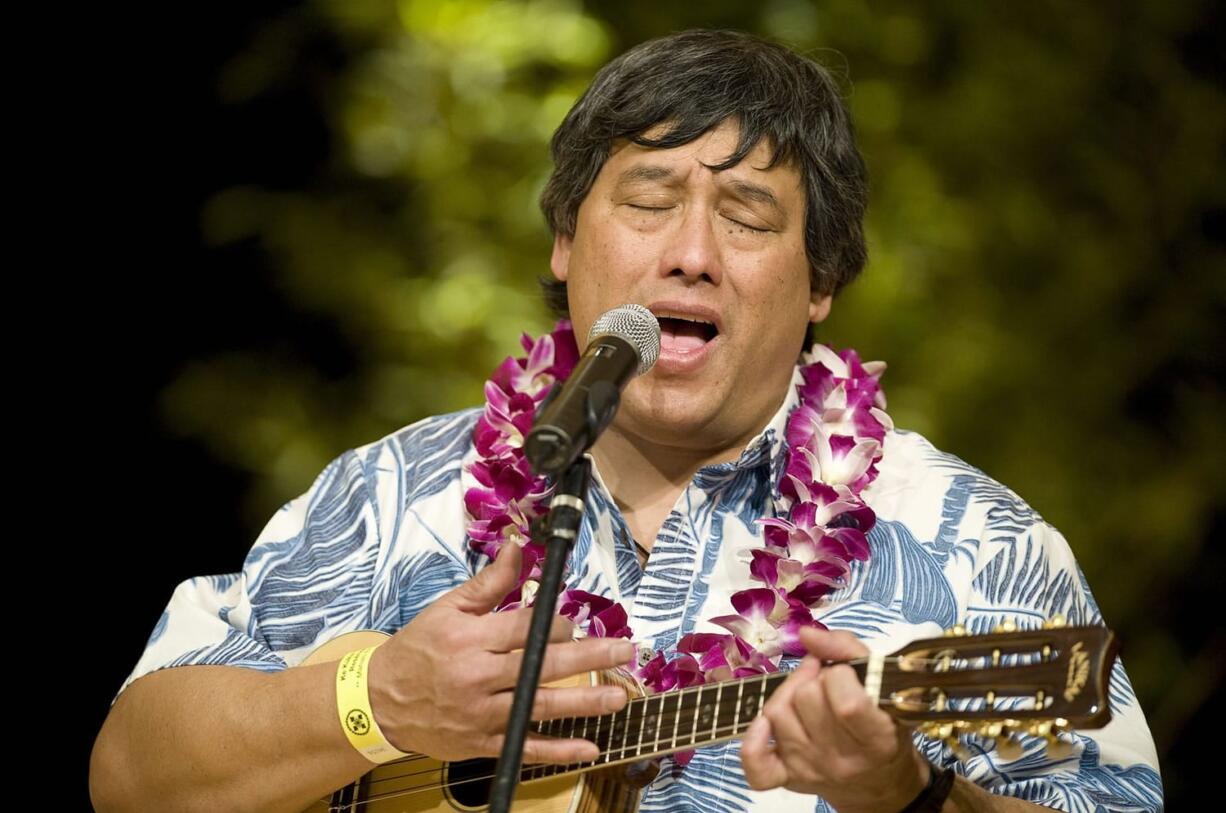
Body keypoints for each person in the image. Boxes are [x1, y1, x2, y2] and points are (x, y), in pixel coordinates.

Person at [89, 29, 1163, 813]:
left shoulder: (977, 546)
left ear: (821, 277)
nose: (687, 252)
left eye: (746, 216)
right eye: (645, 202)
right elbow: (129, 773)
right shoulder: (385, 497)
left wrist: (913, 797)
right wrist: (376, 703)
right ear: (565, 243)